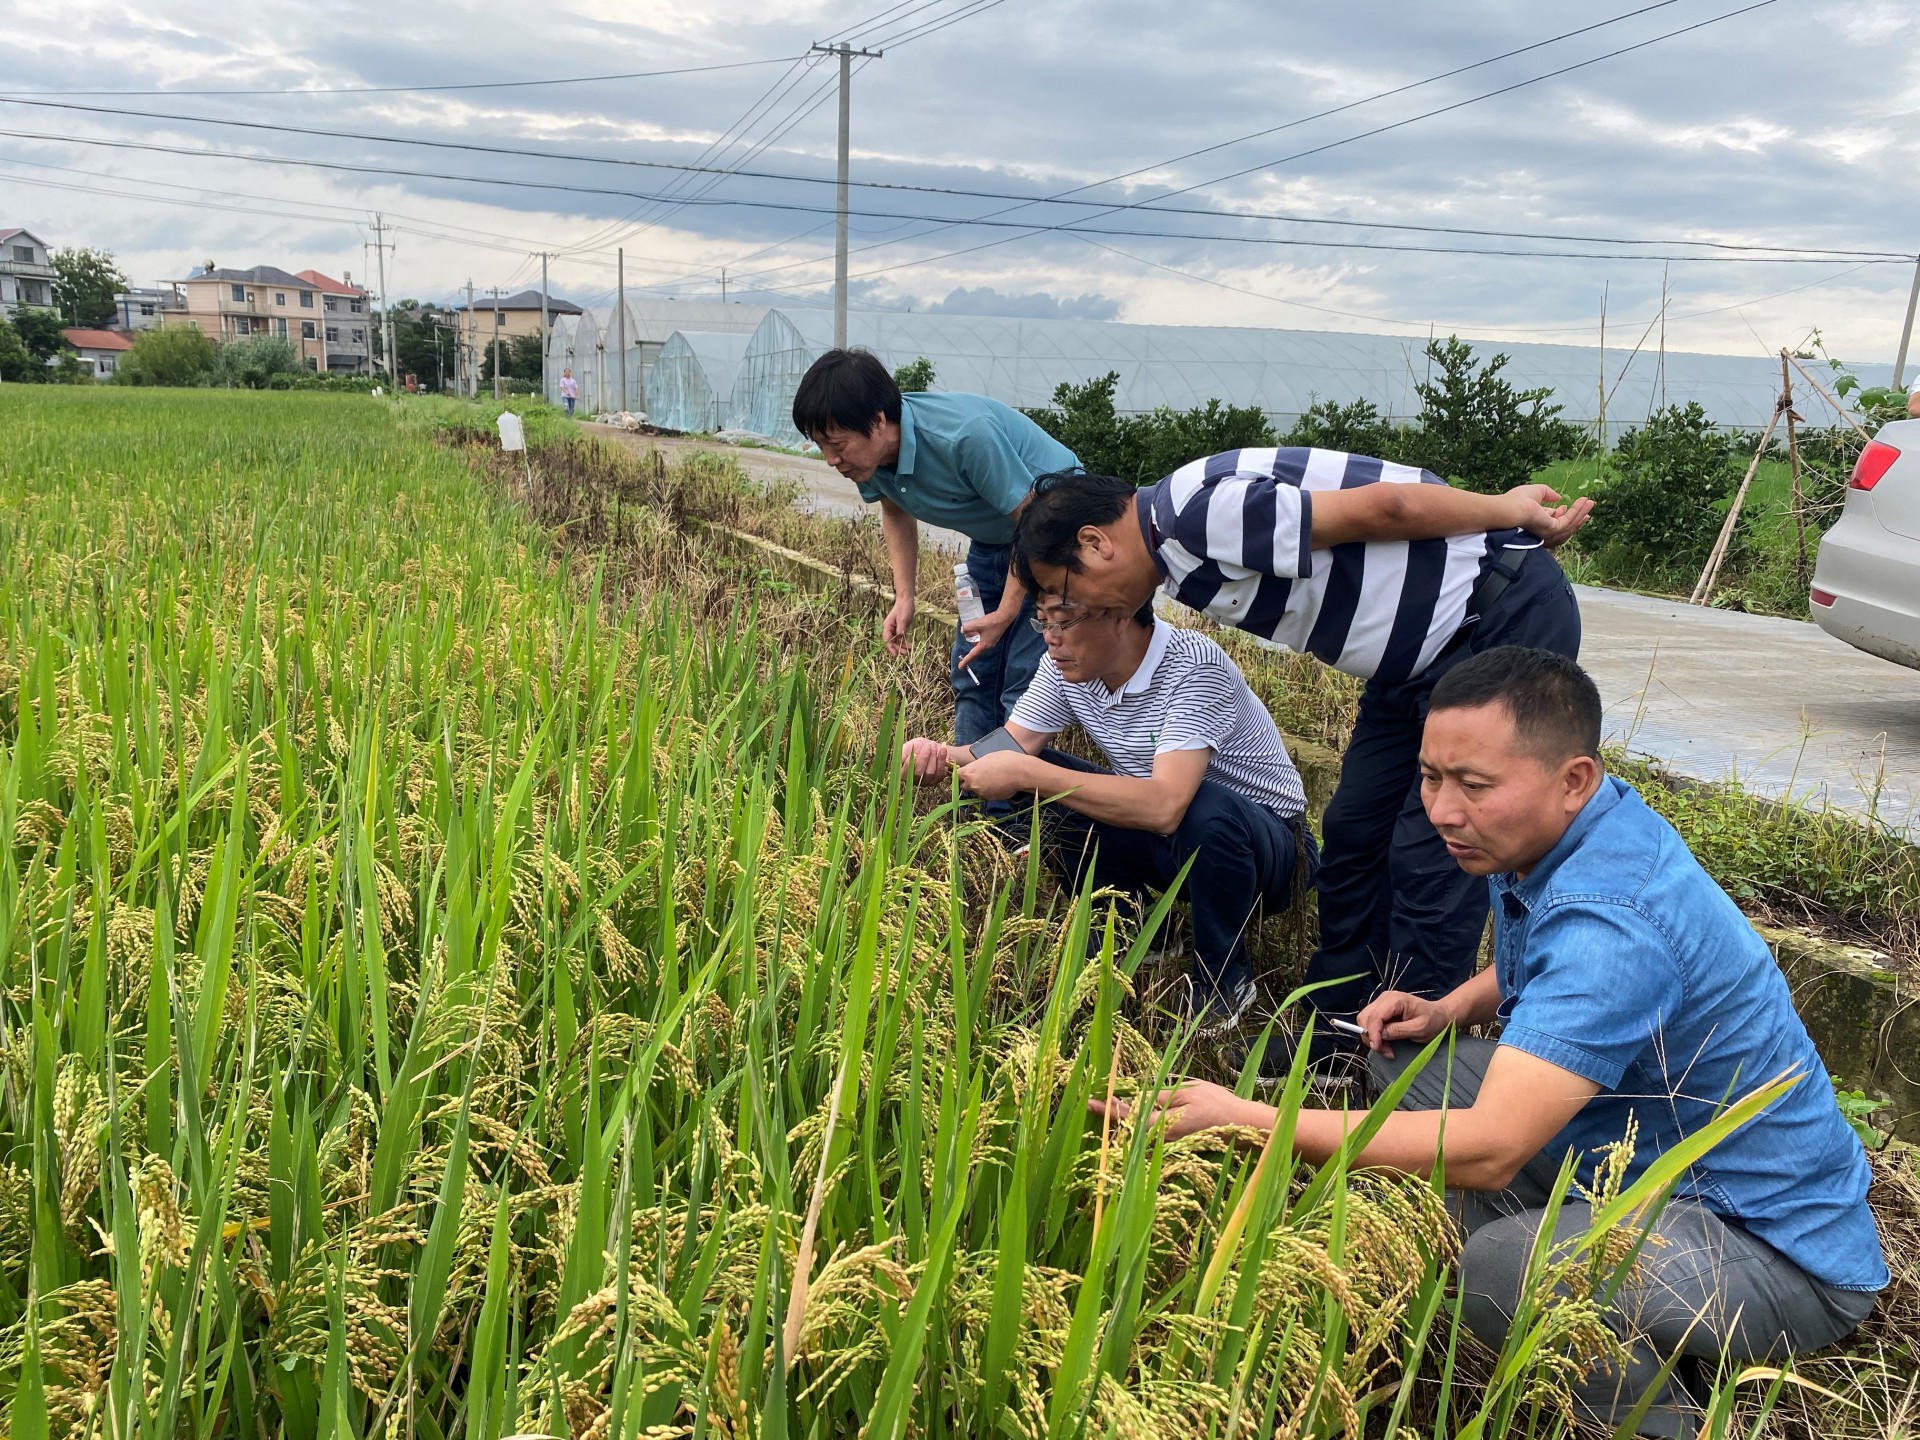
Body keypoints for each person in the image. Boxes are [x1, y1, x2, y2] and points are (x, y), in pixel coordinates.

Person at [1092, 647, 1886, 1437]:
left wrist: (1251, 1121)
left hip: (1771, 1247)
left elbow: (1494, 1147)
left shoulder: (1613, 923)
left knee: (1500, 1271)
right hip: (1642, 1150)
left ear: (1573, 779)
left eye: (1473, 785)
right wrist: (1448, 1008)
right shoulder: (1572, 829)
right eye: (1431, 777)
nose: (1441, 810)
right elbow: (1532, 954)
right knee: (1408, 1068)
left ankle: (1661, 1417)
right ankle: (1562, 1263)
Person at [1010, 455, 1592, 1066]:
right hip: (1408, 661)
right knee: (1354, 832)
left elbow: (1389, 505)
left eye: (1064, 590)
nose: (1073, 607)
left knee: (1435, 847)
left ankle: (1409, 1062)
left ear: (1095, 543)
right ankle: (1337, 1031)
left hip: (1490, 616)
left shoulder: (1191, 517)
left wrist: (1509, 510)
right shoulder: (1173, 553)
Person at [901, 595, 1313, 1032]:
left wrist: (1028, 772)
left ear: (1118, 614)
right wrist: (940, 757)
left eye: (1063, 622)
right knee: (1034, 773)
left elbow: (1166, 805)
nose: (1051, 639)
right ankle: (1136, 926)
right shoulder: (1067, 667)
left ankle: (1223, 979)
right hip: (1170, 837)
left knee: (1200, 805)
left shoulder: (1194, 667)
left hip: (1268, 852)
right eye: (1042, 623)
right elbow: (1011, 746)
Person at [792, 349, 1079, 751]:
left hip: (1057, 533)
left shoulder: (964, 436)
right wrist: (904, 597)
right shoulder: (867, 461)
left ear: (878, 421)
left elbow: (1034, 522)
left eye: (836, 444)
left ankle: (1015, 791)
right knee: (973, 671)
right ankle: (971, 787)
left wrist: (1007, 612)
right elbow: (894, 508)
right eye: (821, 445)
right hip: (997, 539)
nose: (830, 459)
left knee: (1024, 679)